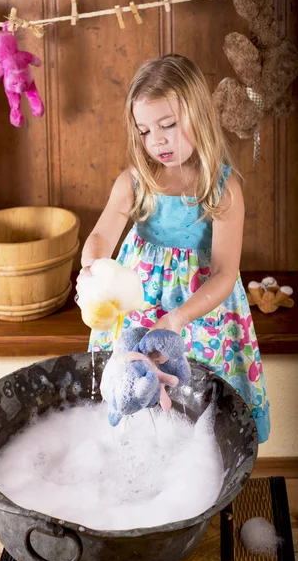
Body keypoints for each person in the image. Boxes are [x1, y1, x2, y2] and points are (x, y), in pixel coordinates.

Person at [77, 54, 270, 443]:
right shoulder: (136, 182)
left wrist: (178, 320)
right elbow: (100, 237)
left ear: (198, 115)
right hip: (142, 307)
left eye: (167, 125)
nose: (157, 140)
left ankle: (201, 472)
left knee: (200, 408)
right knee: (138, 388)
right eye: (145, 131)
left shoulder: (222, 189)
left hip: (201, 312)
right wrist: (91, 269)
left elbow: (224, 273)